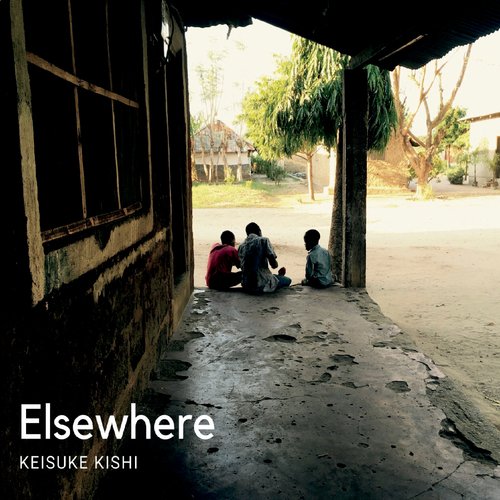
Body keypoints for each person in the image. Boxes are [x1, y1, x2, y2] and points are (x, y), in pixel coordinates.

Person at [238, 222, 291, 294]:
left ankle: (277, 277)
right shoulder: (264, 240)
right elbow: (274, 265)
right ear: (259, 231)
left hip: (246, 285)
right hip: (261, 285)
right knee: (288, 280)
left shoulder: (241, 246)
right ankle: (279, 277)